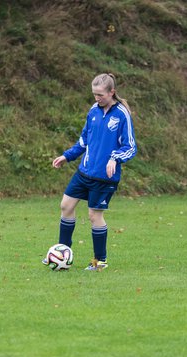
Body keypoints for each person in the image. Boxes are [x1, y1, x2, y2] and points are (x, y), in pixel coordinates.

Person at [42, 73, 137, 270]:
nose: (97, 98)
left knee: (94, 216)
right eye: (94, 94)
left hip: (104, 177)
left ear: (112, 92)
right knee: (66, 206)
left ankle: (99, 261)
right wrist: (67, 156)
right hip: (84, 172)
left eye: (100, 95)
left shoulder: (121, 115)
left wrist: (114, 158)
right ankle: (62, 252)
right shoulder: (93, 110)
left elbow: (130, 147)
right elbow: (84, 141)